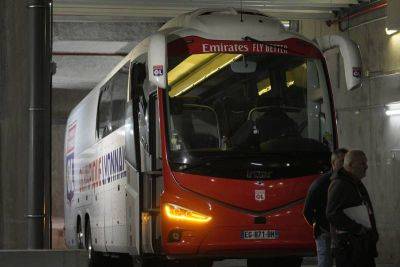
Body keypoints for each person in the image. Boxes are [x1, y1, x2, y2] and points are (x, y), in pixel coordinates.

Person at [326, 150, 379, 267]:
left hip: (361, 246)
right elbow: (332, 214)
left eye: (366, 163)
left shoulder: (356, 183)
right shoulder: (339, 184)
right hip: (350, 250)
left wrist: (372, 236)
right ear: (350, 165)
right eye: (362, 164)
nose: (366, 167)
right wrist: (357, 228)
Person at [303, 148, 348, 267]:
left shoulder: (349, 182)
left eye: (346, 161)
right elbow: (307, 210)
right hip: (325, 231)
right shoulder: (320, 183)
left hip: (343, 230)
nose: (345, 164)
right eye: (342, 161)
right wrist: (317, 224)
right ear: (333, 163)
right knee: (324, 262)